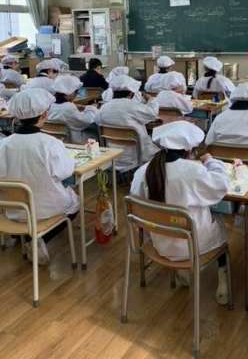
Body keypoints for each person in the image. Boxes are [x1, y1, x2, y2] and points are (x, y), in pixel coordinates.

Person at [130, 121, 230, 304]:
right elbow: (220, 186)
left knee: (179, 221)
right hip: (193, 245)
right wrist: (210, 160)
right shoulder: (193, 171)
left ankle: (182, 273)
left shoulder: (143, 171)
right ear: (189, 150)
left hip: (160, 243)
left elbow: (136, 205)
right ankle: (223, 284)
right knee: (219, 222)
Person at [0, 89, 79, 264]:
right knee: (74, 203)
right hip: (47, 209)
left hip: (12, 211)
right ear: (44, 115)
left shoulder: (3, 145)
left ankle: (24, 237)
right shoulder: (51, 144)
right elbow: (65, 172)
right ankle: (38, 238)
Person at [97, 75, 160, 173]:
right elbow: (152, 114)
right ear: (131, 93)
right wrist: (151, 100)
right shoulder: (133, 106)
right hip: (138, 155)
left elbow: (97, 121)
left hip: (113, 155)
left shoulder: (104, 107)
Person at [48, 75, 98, 143]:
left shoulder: (51, 104)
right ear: (68, 93)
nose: (76, 94)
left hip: (56, 139)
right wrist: (91, 108)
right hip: (74, 140)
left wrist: (81, 107)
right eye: (76, 92)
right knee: (95, 131)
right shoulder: (68, 107)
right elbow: (86, 121)